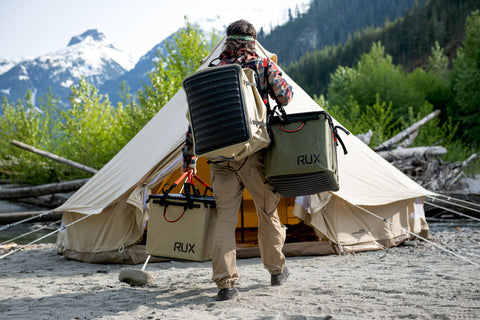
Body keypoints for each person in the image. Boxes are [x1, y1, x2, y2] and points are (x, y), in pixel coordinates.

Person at [182, 19, 294, 301]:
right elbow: (286, 96)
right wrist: (270, 65)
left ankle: (225, 284)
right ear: (252, 41)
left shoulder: (209, 72)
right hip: (253, 153)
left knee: (224, 219)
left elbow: (195, 123)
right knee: (267, 211)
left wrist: (189, 159)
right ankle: (276, 270)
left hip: (219, 157)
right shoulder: (262, 64)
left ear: (227, 41)